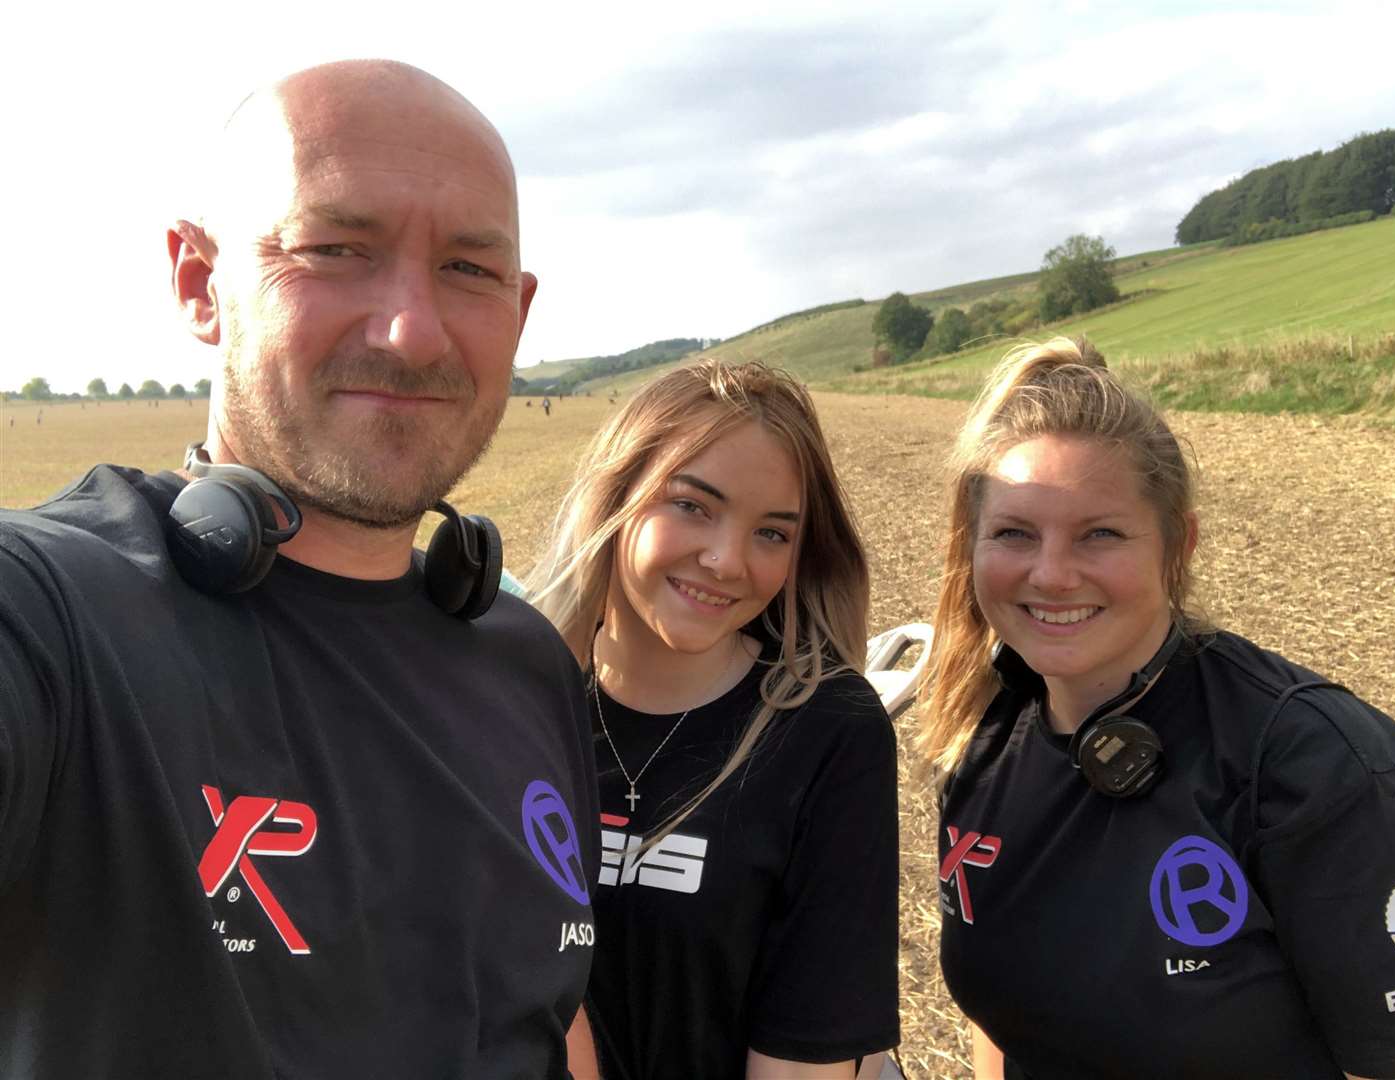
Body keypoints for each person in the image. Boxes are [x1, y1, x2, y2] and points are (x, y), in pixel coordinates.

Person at [0, 61, 598, 1077]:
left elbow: (549, 1023)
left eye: (467, 269)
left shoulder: (527, 661)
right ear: (200, 282)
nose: (412, 332)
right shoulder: (58, 617)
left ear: (520, 307)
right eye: (333, 249)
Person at [921, 336, 1395, 1080]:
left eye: (1099, 534)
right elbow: (1002, 1023)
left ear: (1177, 543)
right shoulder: (984, 743)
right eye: (1013, 534)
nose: (1051, 573)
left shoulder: (1317, 769)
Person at [528, 360, 900, 1079]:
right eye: (693, 505)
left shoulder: (828, 733)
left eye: (771, 534)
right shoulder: (523, 707)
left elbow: (805, 1061)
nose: (727, 560)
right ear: (618, 494)